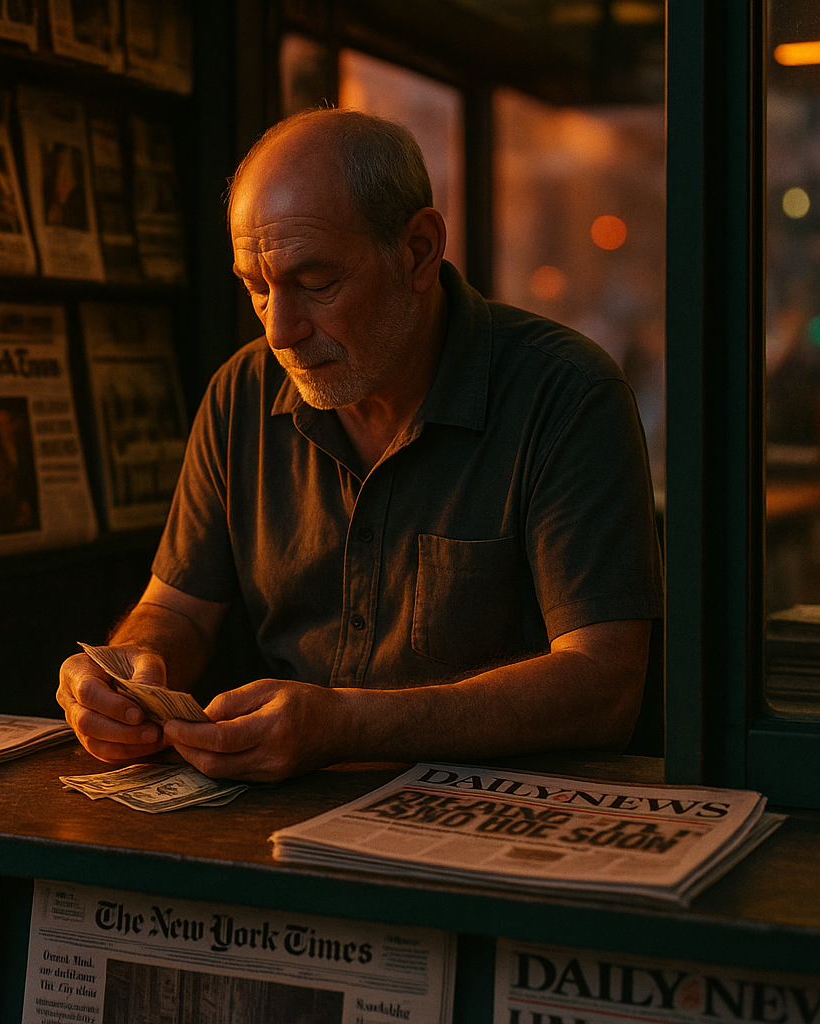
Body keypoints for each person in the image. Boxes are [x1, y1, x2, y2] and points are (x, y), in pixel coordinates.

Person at [56, 109, 664, 782]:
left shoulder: (565, 394)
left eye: (317, 284)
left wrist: (346, 725)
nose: (281, 330)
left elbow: (605, 684)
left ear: (419, 250)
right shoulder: (242, 393)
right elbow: (176, 612)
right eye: (257, 288)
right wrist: (128, 669)